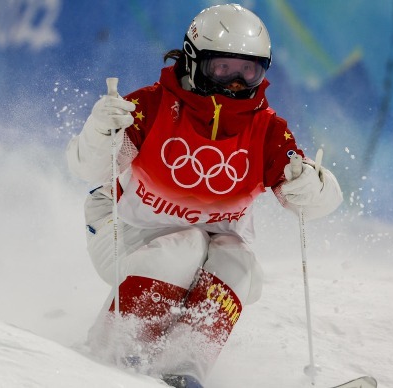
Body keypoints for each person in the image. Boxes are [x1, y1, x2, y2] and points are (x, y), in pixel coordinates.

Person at [66, 4, 342, 387]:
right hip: (124, 231)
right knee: (186, 244)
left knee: (238, 262)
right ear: (195, 61)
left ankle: (182, 368)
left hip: (206, 244)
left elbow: (308, 203)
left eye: (249, 71)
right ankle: (110, 352)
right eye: (223, 68)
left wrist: (315, 187)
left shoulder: (267, 130)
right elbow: (88, 170)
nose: (234, 83)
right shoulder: (152, 105)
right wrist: (100, 133)